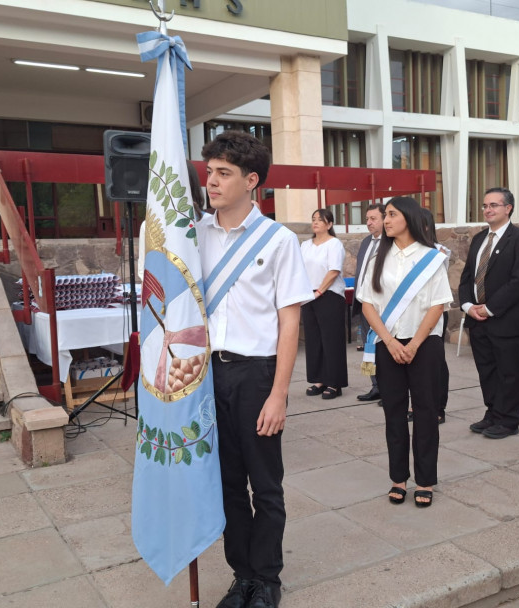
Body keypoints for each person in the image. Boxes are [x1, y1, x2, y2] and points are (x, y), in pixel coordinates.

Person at [198, 131, 313, 608]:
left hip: (257, 374)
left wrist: (278, 394)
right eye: (209, 171)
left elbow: (290, 321)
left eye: (223, 173)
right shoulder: (194, 235)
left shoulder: (278, 240)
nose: (211, 181)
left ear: (251, 181)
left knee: (264, 484)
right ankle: (241, 574)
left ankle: (266, 580)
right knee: (225, 483)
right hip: (207, 375)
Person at [359, 197, 452, 507]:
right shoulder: (378, 258)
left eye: (391, 214)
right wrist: (389, 341)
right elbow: (367, 304)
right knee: (393, 413)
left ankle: (425, 480)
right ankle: (398, 478)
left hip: (424, 345)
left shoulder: (432, 257)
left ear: (409, 218)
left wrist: (413, 345)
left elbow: (438, 305)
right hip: (388, 343)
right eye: (385, 215)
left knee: (426, 412)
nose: (385, 220)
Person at [458, 187, 519, 439]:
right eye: (485, 205)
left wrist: (490, 308)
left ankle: (509, 420)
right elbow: (467, 277)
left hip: (504, 319)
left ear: (508, 208)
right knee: (487, 371)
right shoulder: (479, 239)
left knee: (509, 372)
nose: (488, 210)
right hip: (477, 319)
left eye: (494, 205)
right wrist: (468, 306)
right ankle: (492, 413)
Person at [300, 208, 348, 400]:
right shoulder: (305, 245)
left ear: (329, 224)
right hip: (308, 296)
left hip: (329, 295)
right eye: (314, 219)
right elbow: (298, 269)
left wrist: (319, 291)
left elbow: (333, 271)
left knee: (331, 340)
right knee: (313, 340)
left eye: (320, 220)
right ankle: (319, 379)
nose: (316, 222)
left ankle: (335, 383)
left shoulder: (334, 244)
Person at [420, 206, 451, 424]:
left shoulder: (439, 251)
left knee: (434, 361)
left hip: (433, 312)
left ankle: (438, 406)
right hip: (410, 315)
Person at [354, 203, 386, 401]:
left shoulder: (390, 243)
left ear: (384, 219)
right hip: (363, 303)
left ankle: (388, 388)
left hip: (380, 306)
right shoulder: (366, 242)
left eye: (373, 219)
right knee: (368, 347)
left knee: (382, 348)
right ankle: (375, 385)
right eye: (367, 219)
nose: (369, 222)